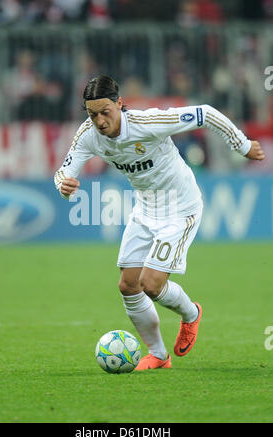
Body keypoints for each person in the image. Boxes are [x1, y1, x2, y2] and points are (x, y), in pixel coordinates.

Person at [54, 75, 265, 370]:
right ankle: (158, 355)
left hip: (180, 208)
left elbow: (205, 113)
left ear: (119, 104)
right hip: (145, 209)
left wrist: (241, 145)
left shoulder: (147, 123)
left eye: (105, 112)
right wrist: (64, 186)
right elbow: (63, 172)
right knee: (128, 286)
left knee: (151, 285)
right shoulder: (88, 134)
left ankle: (191, 314)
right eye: (92, 115)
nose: (100, 121)